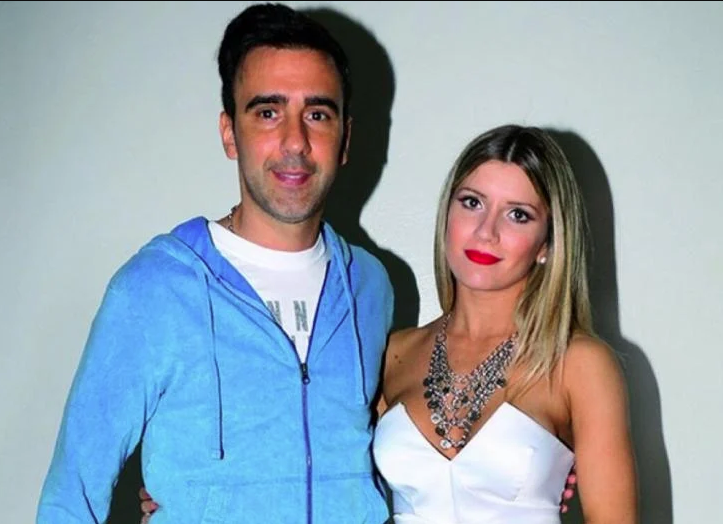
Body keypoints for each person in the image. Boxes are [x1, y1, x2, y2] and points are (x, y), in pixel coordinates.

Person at [36, 3, 395, 523]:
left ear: (345, 140)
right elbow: (70, 497)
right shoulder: (156, 288)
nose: (295, 141)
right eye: (268, 112)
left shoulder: (370, 287)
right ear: (230, 134)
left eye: (317, 114)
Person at [373, 124, 638, 523]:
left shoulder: (579, 364)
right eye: (472, 202)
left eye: (518, 215)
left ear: (547, 243)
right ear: (447, 213)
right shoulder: (392, 353)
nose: (487, 231)